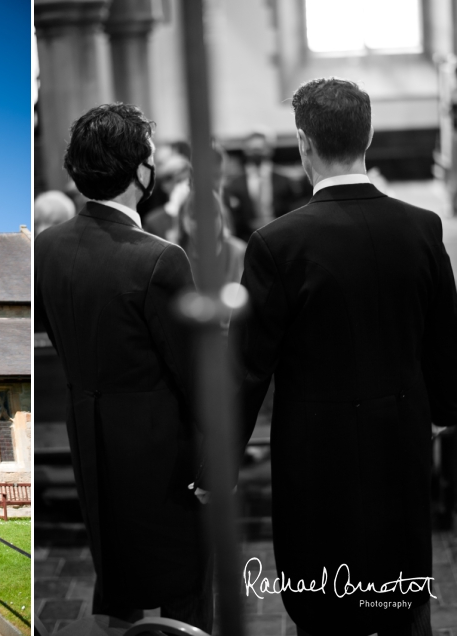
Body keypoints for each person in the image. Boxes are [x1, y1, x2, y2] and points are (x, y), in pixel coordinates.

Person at [228, 78, 457, 635]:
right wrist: (441, 412)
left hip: (316, 454)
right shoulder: (422, 228)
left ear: (303, 143)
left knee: (326, 609)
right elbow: (444, 339)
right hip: (400, 441)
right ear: (370, 133)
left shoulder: (276, 244)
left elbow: (245, 369)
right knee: (401, 604)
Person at [35, 103, 211, 630]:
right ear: (139, 172)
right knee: (186, 579)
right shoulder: (159, 258)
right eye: (151, 157)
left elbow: (49, 325)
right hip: (159, 446)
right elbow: (195, 374)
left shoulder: (47, 246)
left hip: (89, 438)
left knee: (116, 573)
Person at [223, 128, 299, 240]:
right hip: (247, 239)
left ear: (270, 149)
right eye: (252, 149)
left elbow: (294, 210)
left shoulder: (286, 180)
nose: (256, 153)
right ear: (245, 150)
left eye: (260, 148)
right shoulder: (233, 184)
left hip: (282, 236)